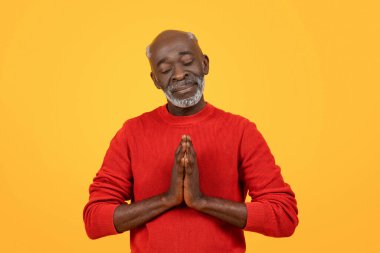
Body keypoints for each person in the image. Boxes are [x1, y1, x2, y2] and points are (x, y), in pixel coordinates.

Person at [83, 30, 299, 252]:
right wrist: (167, 199)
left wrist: (201, 201)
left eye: (187, 61)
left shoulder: (241, 131)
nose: (178, 74)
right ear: (155, 80)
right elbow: (94, 220)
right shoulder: (132, 133)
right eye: (165, 69)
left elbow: (283, 215)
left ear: (204, 64)